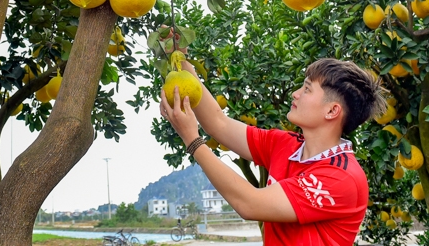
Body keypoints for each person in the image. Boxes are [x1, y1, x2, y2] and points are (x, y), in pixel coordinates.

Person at [161, 58, 386, 245]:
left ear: (331, 110)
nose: (295, 94)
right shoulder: (284, 145)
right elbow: (219, 123)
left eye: (307, 89)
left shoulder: (342, 178)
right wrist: (182, 64)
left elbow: (249, 204)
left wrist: (192, 140)